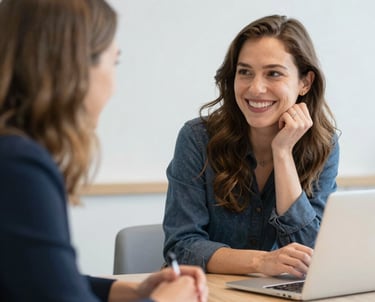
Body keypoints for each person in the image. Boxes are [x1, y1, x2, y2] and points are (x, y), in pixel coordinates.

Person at [0, 0, 208, 301]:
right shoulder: (19, 166)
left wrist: (130, 290)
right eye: (114, 62)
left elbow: (43, 277)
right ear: (76, 67)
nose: (114, 85)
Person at [163, 15, 339, 278]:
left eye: (274, 73)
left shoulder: (324, 145)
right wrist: (261, 262)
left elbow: (310, 253)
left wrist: (283, 154)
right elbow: (181, 246)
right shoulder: (197, 138)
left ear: (305, 82)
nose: (256, 88)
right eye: (245, 72)